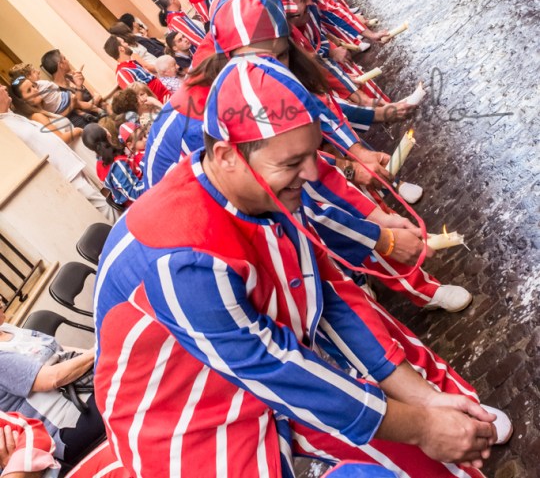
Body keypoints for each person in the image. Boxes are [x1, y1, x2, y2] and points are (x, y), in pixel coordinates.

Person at [94, 55, 507, 478]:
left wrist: (424, 401)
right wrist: (422, 427)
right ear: (227, 155)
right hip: (189, 426)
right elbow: (275, 368)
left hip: (263, 376)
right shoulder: (181, 257)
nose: (310, 174)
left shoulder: (258, 188)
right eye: (292, 164)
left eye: (312, 154)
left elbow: (325, 294)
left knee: (424, 457)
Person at [0, 307, 103, 465]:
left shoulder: (6, 330)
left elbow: (60, 351)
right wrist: (99, 349)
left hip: (84, 389)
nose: (1, 303)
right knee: (130, 391)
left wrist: (101, 356)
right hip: (66, 424)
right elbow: (53, 378)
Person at [0, 85, 114, 222]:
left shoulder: (11, 116)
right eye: (0, 86)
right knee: (106, 211)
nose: (4, 87)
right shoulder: (4, 128)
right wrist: (79, 130)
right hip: (66, 176)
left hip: (73, 166)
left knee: (108, 204)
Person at [82, 123, 144, 209]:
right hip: (142, 201)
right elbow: (136, 193)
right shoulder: (116, 165)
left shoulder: (100, 164)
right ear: (107, 134)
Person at [103, 35, 170, 103]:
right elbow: (136, 97)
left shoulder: (132, 63)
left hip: (166, 95)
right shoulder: (122, 72)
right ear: (121, 49)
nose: (127, 44)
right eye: (124, 42)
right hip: (162, 102)